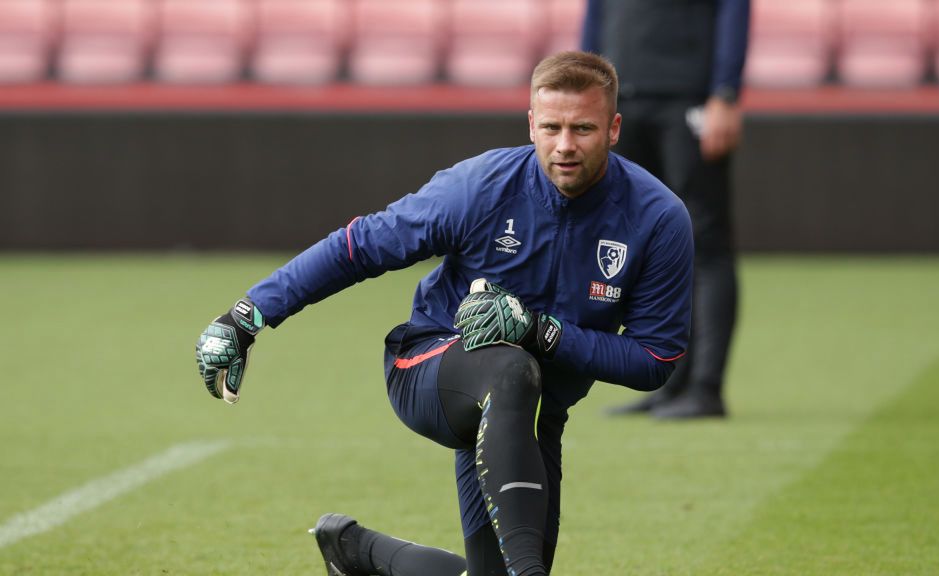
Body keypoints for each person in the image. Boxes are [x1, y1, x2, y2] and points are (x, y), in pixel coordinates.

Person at [194, 51, 693, 576]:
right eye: (551, 127)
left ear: (613, 128)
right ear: (531, 124)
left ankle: (355, 550)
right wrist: (247, 315)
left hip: (533, 414)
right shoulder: (479, 188)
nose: (564, 145)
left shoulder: (657, 219)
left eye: (583, 129)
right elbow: (361, 245)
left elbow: (654, 359)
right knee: (509, 366)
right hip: (430, 365)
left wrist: (540, 332)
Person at [583, 0, 750, 420]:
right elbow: (596, 13)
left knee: (704, 240)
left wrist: (725, 93)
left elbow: (734, 10)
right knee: (647, 245)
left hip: (687, 99)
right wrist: (584, 87)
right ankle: (666, 381)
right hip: (625, 96)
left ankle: (706, 387)